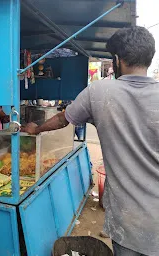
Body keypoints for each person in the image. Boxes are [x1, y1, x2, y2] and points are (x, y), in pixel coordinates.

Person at [23, 26, 159, 256]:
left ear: (117, 59)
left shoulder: (99, 92)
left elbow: (61, 120)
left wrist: (36, 130)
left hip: (128, 223)